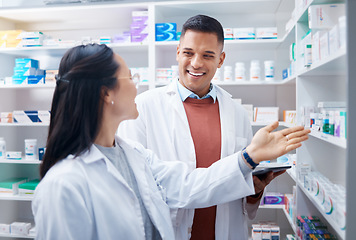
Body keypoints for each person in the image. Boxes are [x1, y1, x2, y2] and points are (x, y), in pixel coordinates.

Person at [32, 43, 309, 240]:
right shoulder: (63, 185)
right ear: (106, 93)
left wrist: (250, 156)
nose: (137, 84)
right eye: (130, 77)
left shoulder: (134, 155)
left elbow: (189, 185)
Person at [118, 15, 304, 240]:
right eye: (188, 53)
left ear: (221, 59)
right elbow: (137, 189)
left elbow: (239, 185)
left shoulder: (236, 112)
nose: (196, 63)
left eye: (207, 55)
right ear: (178, 52)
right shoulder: (143, 107)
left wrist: (254, 191)